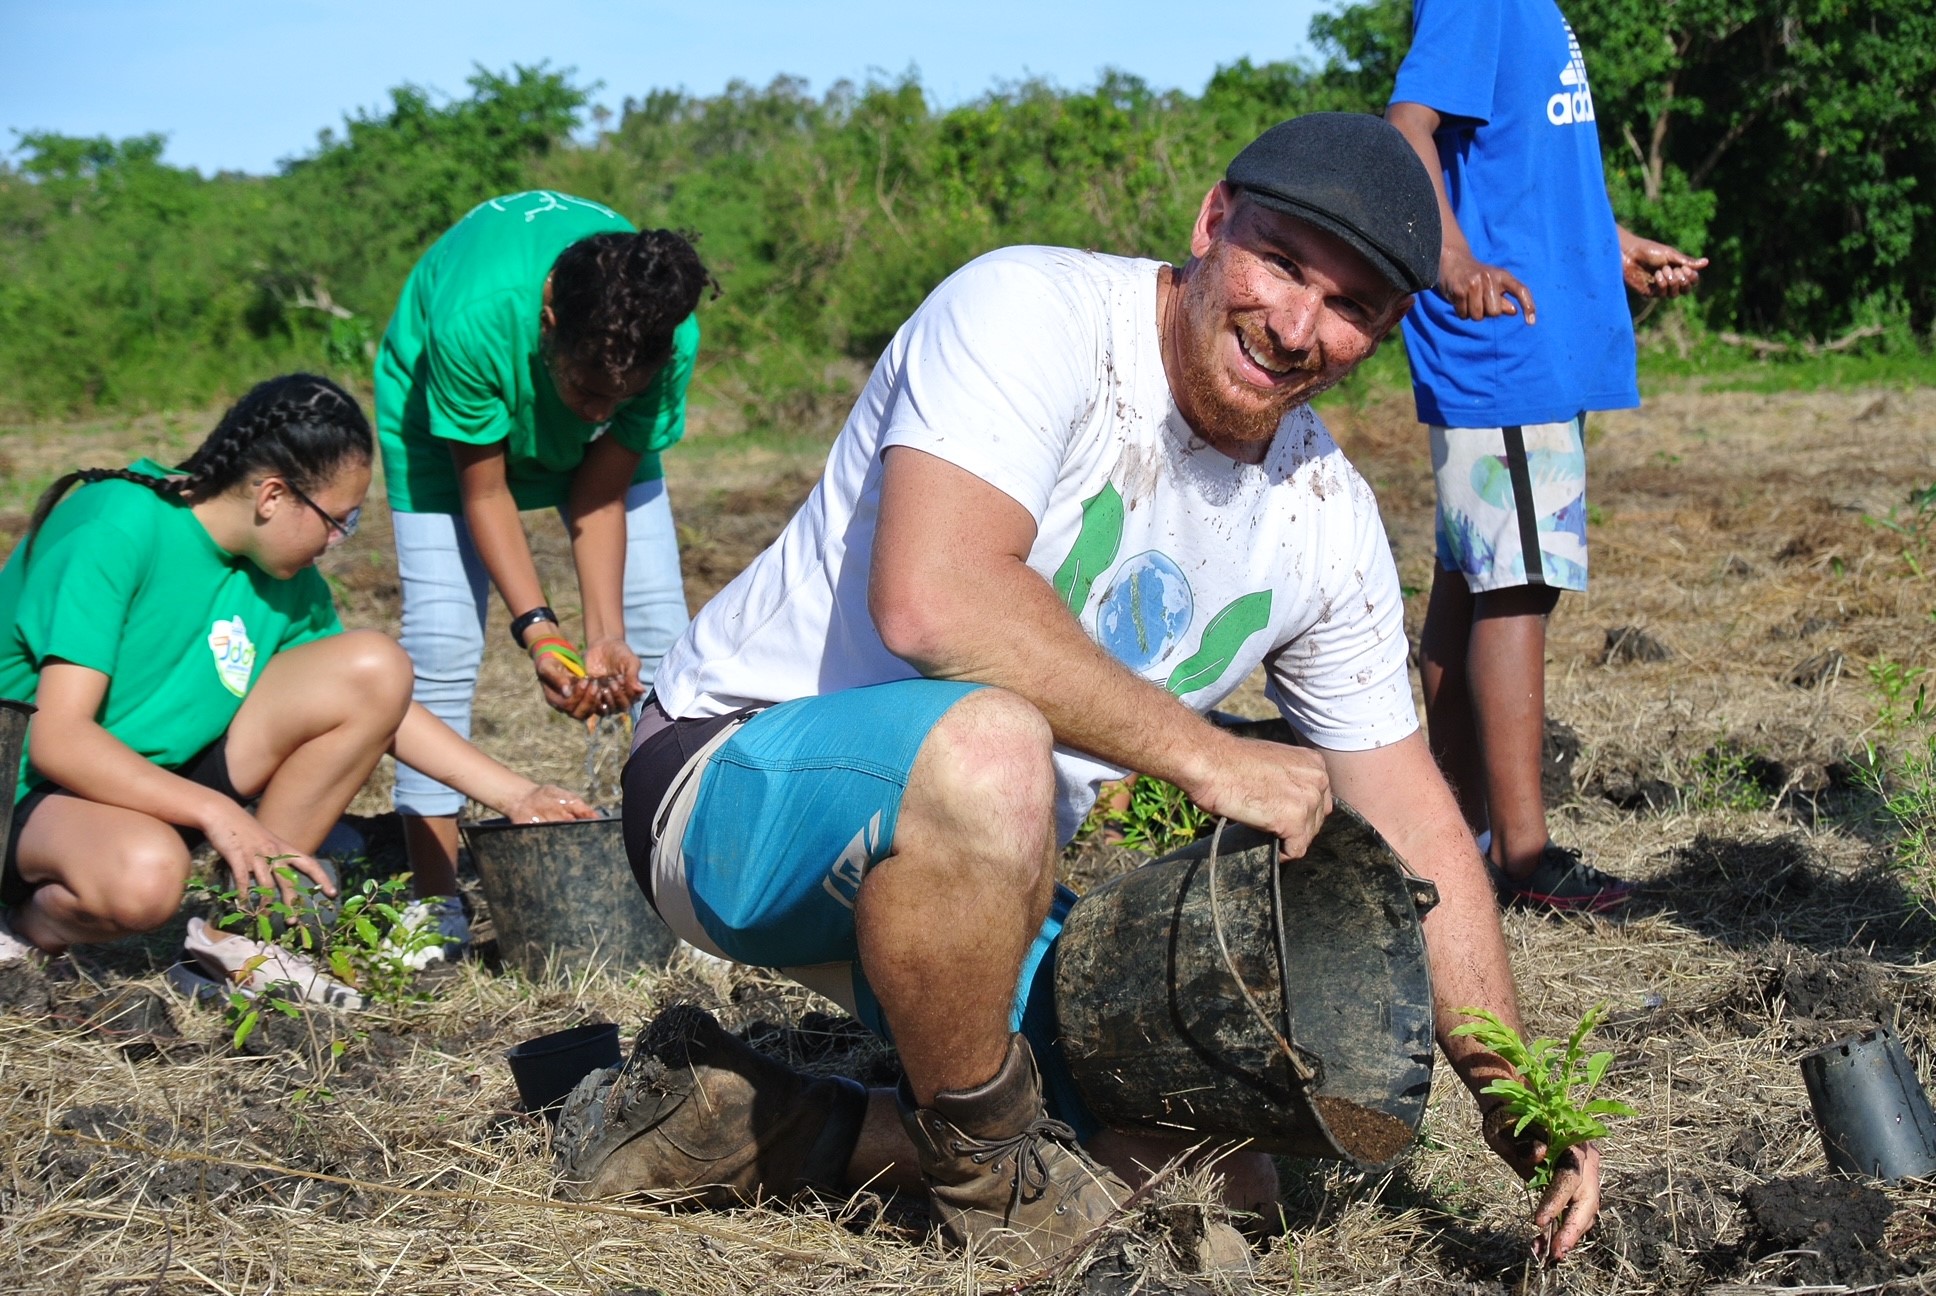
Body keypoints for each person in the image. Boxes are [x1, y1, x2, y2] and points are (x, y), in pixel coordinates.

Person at [564, 114, 1605, 1267]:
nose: (1296, 325)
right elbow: (934, 599)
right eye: (1281, 263)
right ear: (1213, 221)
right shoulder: (1030, 313)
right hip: (729, 783)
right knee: (992, 744)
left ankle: (766, 1121)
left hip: (974, 871)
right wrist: (1211, 755)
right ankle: (998, 1185)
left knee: (1222, 1180)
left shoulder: (1326, 516)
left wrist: (1514, 1092)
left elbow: (1413, 813)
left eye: (1352, 306)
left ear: (1385, 332)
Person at [0, 374, 597, 994]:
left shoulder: (282, 573)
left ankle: (238, 938)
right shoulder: (116, 526)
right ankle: (25, 926)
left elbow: (376, 704)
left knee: (375, 665)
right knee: (145, 877)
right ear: (272, 496)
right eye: (337, 520)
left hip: (148, 789)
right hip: (22, 793)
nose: (339, 541)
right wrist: (218, 812)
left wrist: (518, 796)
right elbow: (57, 740)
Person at [1385, 0, 1706, 910]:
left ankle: (1452, 840)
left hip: (1524, 334)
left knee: (1475, 584)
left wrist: (1614, 247)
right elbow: (1408, 126)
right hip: (1504, 343)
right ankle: (1524, 859)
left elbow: (1521, 179)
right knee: (1520, 583)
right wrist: (1448, 257)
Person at [374, 190, 711, 947]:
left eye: (617, 399)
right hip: (437, 435)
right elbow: (484, 490)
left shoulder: (660, 336)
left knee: (662, 636)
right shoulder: (477, 323)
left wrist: (606, 633)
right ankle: (432, 908)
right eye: (589, 391)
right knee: (442, 644)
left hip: (590, 401)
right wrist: (539, 631)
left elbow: (599, 489)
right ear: (550, 321)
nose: (599, 413)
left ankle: (683, 888)